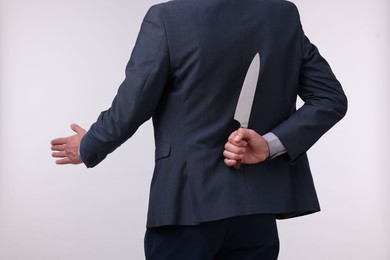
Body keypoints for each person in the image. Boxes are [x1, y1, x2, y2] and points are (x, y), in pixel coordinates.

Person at [51, 0, 347, 259]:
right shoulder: (282, 15)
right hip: (257, 210)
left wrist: (89, 144)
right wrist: (270, 145)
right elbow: (330, 99)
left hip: (188, 205)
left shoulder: (167, 18)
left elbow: (134, 103)